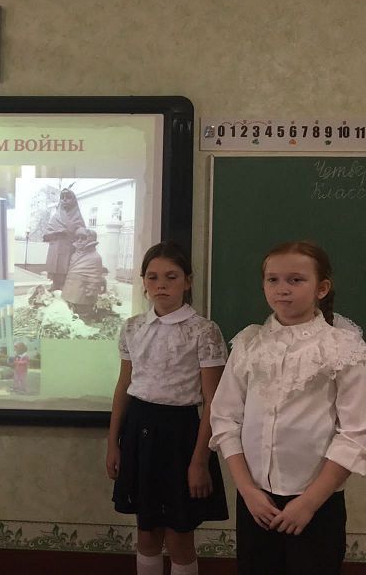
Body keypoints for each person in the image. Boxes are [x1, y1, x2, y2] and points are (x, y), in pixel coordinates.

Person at [210, 241, 366, 575]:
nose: (283, 288)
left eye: (296, 280)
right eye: (273, 280)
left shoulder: (342, 347)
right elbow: (225, 419)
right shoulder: (249, 343)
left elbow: (355, 432)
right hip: (256, 502)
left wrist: (309, 503)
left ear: (321, 288)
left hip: (316, 504)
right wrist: (247, 491)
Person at [106, 241, 228, 575]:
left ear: (187, 281)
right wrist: (113, 442)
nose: (161, 284)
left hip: (181, 435)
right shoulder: (133, 327)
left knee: (179, 536)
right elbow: (123, 387)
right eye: (153, 277)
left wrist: (199, 460)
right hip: (138, 429)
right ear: (143, 281)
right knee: (146, 533)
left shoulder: (204, 331)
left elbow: (213, 401)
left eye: (171, 277)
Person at [43, 187, 85, 291]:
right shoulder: (55, 217)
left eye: (68, 197)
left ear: (73, 200)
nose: (64, 199)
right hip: (55, 247)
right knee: (55, 265)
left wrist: (71, 232)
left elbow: (83, 235)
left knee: (66, 266)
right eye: (62, 197)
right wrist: (56, 232)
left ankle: (64, 284)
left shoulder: (77, 217)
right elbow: (46, 235)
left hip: (69, 248)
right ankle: (55, 284)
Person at [61, 228, 106, 321]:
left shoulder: (95, 257)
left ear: (91, 239)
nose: (79, 240)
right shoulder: (74, 255)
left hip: (83, 293)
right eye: (78, 238)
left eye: (83, 238)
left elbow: (95, 277)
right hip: (70, 290)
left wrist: (91, 291)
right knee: (70, 314)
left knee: (83, 315)